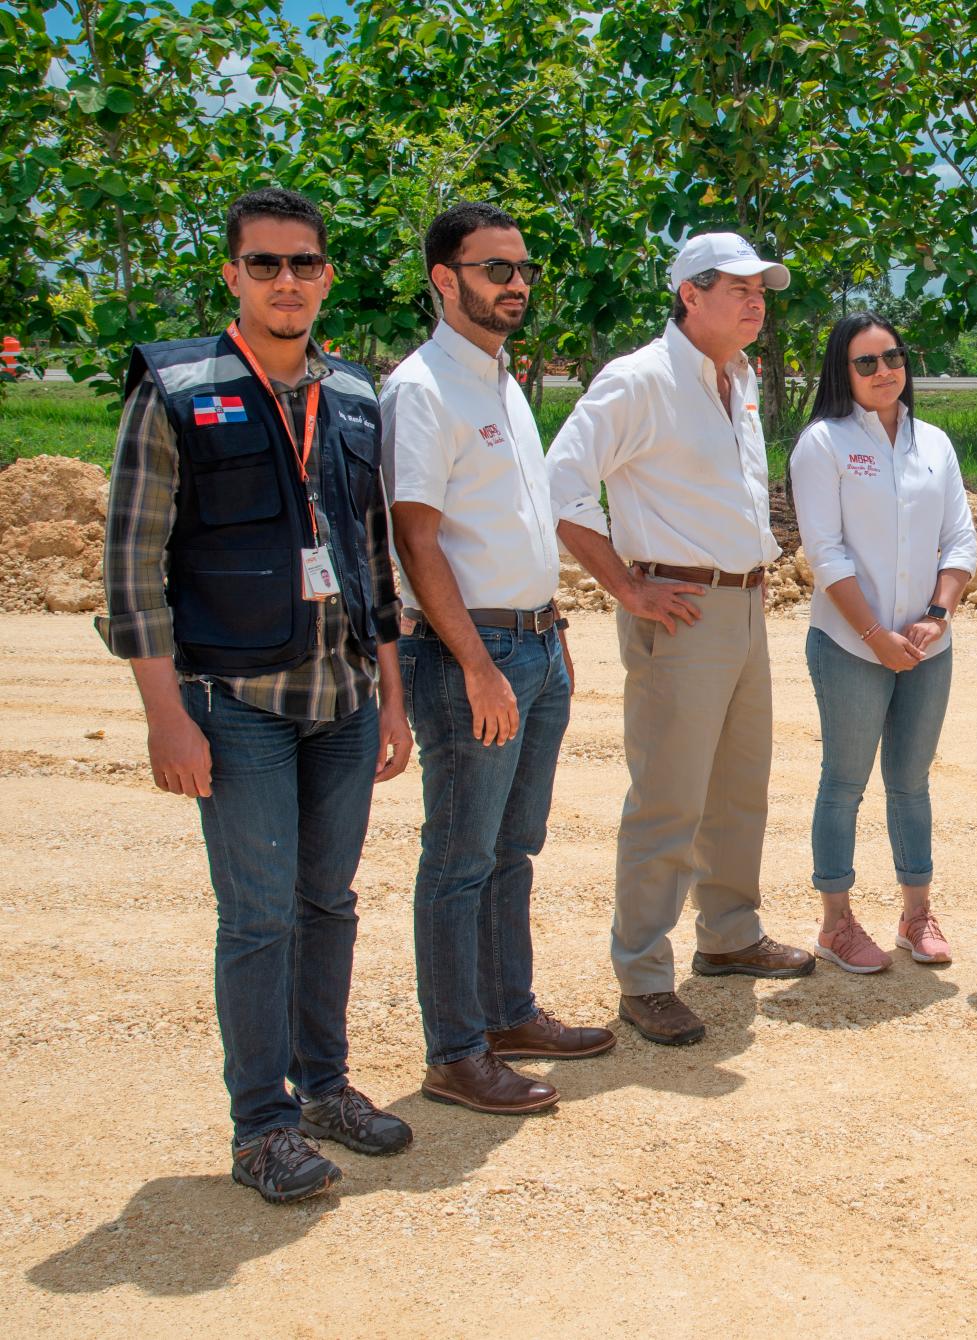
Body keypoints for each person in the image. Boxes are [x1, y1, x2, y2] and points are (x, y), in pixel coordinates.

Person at [96, 187, 413, 1203]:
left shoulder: (355, 395)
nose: (287, 282)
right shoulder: (177, 388)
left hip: (345, 694)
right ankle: (261, 1124)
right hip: (237, 701)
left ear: (327, 276)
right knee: (260, 916)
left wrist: (392, 696)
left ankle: (323, 1087)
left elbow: (371, 555)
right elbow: (130, 562)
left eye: (305, 265)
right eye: (266, 264)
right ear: (232, 275)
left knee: (329, 902)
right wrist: (163, 712)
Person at [546, 231, 815, 1048]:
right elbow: (560, 483)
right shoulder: (640, 379)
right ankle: (643, 974)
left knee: (738, 787)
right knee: (668, 797)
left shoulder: (736, 377)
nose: (755, 300)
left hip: (742, 605)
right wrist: (626, 586)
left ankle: (729, 935)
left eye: (761, 288)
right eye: (736, 287)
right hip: (680, 609)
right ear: (688, 294)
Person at [383, 202, 614, 1116]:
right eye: (493, 270)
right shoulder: (424, 389)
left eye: (521, 270)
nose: (514, 284)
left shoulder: (502, 378)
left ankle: (508, 1013)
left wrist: (548, 636)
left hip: (536, 642)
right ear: (446, 281)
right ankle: (454, 1052)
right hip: (471, 653)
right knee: (459, 857)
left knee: (514, 848)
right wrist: (477, 663)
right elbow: (417, 538)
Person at [789, 314, 977, 971]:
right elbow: (826, 552)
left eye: (892, 357)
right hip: (849, 645)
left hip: (927, 648)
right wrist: (874, 634)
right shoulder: (824, 444)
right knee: (843, 783)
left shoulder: (935, 444)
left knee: (911, 782)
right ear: (842, 372)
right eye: (865, 363)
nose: (883, 372)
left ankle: (916, 914)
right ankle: (836, 923)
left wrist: (936, 615)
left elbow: (959, 540)